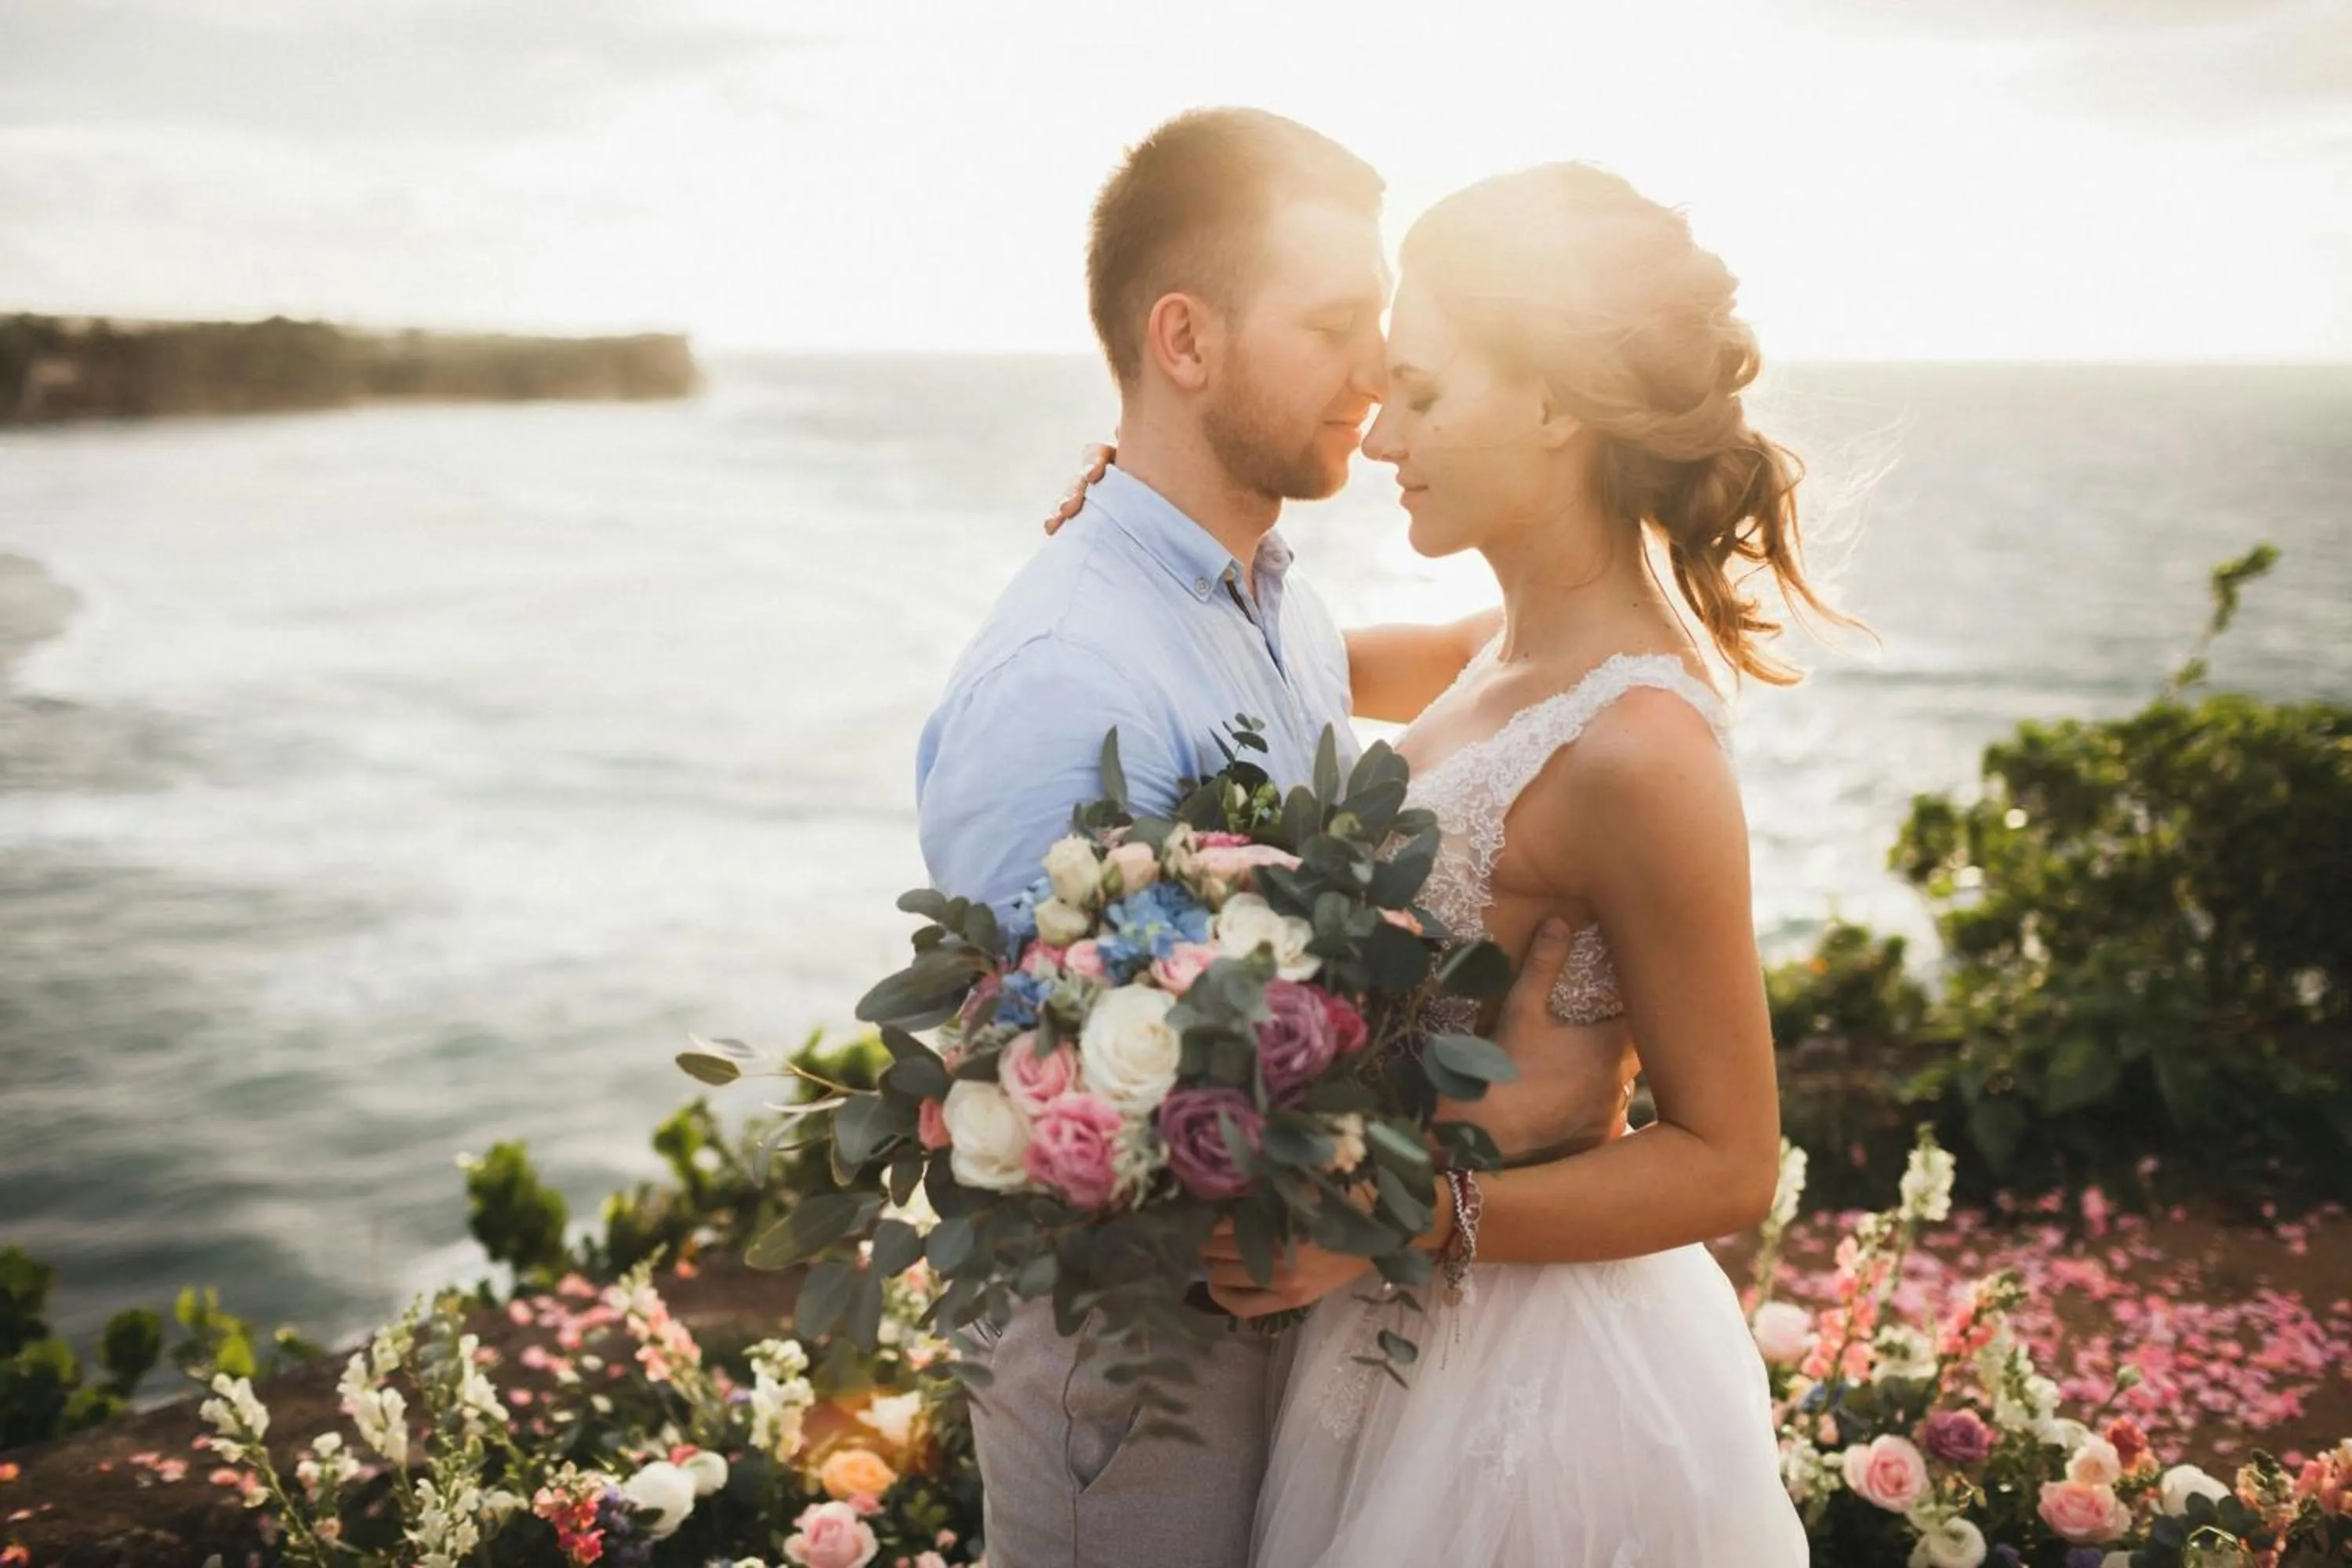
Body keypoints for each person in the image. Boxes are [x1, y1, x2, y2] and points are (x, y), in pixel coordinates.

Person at [915, 113, 1627, 1568]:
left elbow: (1499, 664)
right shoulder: (1065, 680)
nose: (1377, 370)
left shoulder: (1280, 601)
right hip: (1130, 1383)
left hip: (1288, 1344)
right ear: (1185, 339)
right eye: (1331, 324)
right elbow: (1046, 1115)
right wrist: (1509, 1125)